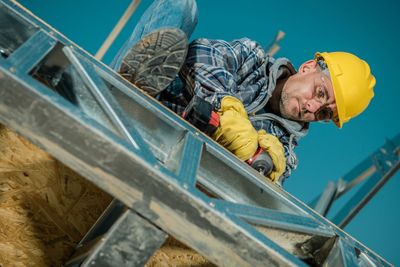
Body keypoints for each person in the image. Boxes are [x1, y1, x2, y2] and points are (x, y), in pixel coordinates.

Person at [111, 0, 376, 186]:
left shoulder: (283, 150)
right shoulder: (253, 58)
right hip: (152, 102)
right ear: (308, 67)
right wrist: (227, 109)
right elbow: (203, 53)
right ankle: (124, 87)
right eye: (320, 93)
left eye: (325, 113)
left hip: (168, 157)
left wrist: (264, 163)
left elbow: (271, 182)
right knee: (181, 7)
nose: (313, 108)